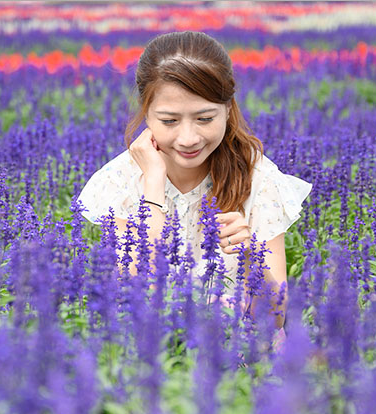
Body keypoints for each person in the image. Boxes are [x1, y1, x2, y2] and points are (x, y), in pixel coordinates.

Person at [77, 31, 311, 330]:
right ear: (146, 115)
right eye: (169, 121)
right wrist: (154, 184)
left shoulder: (259, 180)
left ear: (228, 109)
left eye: (204, 118)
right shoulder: (121, 180)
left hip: (237, 350)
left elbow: (275, 319)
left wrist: (254, 254)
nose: (188, 139)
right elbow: (134, 294)